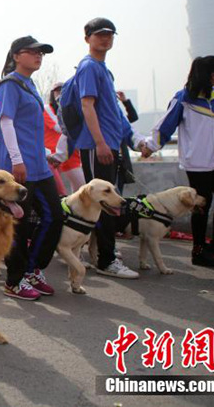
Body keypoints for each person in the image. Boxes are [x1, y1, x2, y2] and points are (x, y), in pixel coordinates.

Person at [142, 56, 214, 267]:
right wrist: (151, 145)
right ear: (212, 75)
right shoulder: (184, 98)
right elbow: (166, 124)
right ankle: (198, 251)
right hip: (195, 163)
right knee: (201, 207)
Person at [0, 36, 66, 300]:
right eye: (33, 52)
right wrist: (16, 159)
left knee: (55, 216)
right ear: (16, 55)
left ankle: (32, 269)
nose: (38, 56)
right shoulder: (10, 84)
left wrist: (48, 153)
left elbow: (36, 127)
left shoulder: (30, 84)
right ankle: (14, 281)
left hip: (39, 165)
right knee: (19, 224)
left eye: (41, 54)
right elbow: (6, 123)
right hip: (20, 167)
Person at [73, 17, 140, 279]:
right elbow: (87, 106)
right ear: (87, 37)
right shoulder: (89, 67)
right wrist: (100, 142)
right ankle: (106, 259)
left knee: (108, 202)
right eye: (99, 34)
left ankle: (102, 251)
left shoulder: (103, 69)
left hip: (110, 143)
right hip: (96, 145)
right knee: (101, 202)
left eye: (110, 34)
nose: (105, 38)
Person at [48, 82, 85, 193]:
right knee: (81, 188)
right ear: (52, 93)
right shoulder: (47, 108)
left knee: (77, 189)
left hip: (72, 152)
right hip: (59, 154)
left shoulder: (69, 105)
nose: (60, 91)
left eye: (63, 89)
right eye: (57, 90)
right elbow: (62, 128)